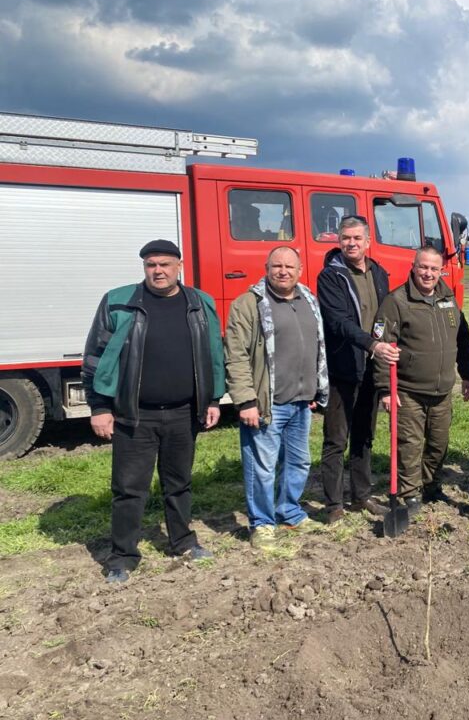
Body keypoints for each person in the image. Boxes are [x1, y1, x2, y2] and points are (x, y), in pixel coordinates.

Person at [82, 239, 224, 584]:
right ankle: (123, 555)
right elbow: (95, 357)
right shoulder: (119, 302)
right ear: (144, 267)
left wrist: (213, 399)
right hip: (135, 415)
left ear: (179, 266)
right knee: (130, 488)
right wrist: (100, 407)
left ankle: (182, 541)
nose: (158, 271)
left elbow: (214, 354)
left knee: (179, 484)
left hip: (183, 413)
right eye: (150, 265)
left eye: (164, 264)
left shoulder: (199, 303)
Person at [225, 246, 329, 549]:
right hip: (267, 402)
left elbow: (316, 347)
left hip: (301, 401)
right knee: (262, 467)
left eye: (289, 267)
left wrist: (313, 387)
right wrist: (245, 401)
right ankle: (261, 523)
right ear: (266, 268)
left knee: (298, 463)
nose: (283, 271)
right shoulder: (249, 304)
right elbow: (236, 355)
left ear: (299, 271)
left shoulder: (308, 300)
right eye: (277, 266)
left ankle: (290, 512)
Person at [372, 246, 469, 513]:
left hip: (442, 390)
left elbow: (462, 338)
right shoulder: (396, 301)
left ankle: (430, 486)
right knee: (409, 445)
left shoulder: (448, 299)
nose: (428, 274)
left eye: (434, 268)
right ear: (414, 266)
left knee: (438, 444)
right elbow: (381, 345)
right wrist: (386, 388)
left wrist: (467, 374)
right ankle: (410, 494)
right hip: (408, 390)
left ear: (441, 270)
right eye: (423, 267)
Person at [317, 216, 400, 523]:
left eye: (356, 238)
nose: (350, 243)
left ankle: (361, 496)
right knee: (336, 438)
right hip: (344, 367)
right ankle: (333, 505)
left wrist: (384, 342)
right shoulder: (331, 276)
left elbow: (384, 315)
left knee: (364, 435)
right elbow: (339, 322)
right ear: (339, 241)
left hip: (371, 367)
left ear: (367, 242)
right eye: (345, 238)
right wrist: (371, 344)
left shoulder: (378, 272)